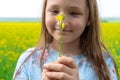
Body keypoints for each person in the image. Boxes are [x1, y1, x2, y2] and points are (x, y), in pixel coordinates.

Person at [13, 0, 118, 80]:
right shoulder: (28, 60)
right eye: (54, 11)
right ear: (44, 14)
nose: (61, 21)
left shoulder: (103, 63)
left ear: (89, 19)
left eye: (73, 13)